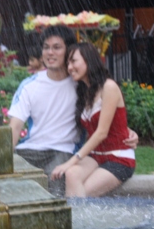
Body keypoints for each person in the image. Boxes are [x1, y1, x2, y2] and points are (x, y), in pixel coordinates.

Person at [8, 25, 137, 195]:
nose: (49, 53)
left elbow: (105, 119)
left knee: (58, 188)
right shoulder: (29, 86)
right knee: (7, 180)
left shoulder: (81, 84)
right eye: (46, 48)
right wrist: (3, 160)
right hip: (31, 150)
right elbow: (15, 127)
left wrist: (126, 131)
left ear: (68, 50)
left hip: (64, 151)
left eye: (56, 47)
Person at [50, 43, 135, 197]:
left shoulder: (109, 87)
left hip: (119, 158)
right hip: (96, 156)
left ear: (88, 60)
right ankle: (77, 218)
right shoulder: (86, 91)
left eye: (73, 61)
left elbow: (102, 132)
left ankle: (79, 220)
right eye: (68, 63)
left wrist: (71, 161)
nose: (70, 67)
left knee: (80, 193)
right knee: (71, 174)